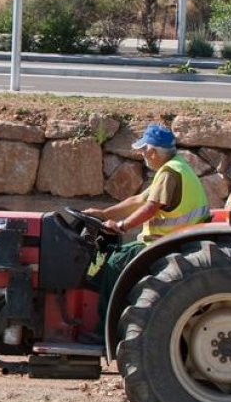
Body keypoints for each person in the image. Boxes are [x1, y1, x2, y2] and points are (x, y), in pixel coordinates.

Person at [85, 123, 210, 337]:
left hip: (165, 243)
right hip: (173, 239)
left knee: (115, 263)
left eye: (143, 150)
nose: (142, 154)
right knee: (117, 258)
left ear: (152, 151)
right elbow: (138, 200)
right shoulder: (176, 166)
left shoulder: (170, 173)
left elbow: (151, 207)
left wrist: (122, 226)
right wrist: (105, 214)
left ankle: (104, 330)